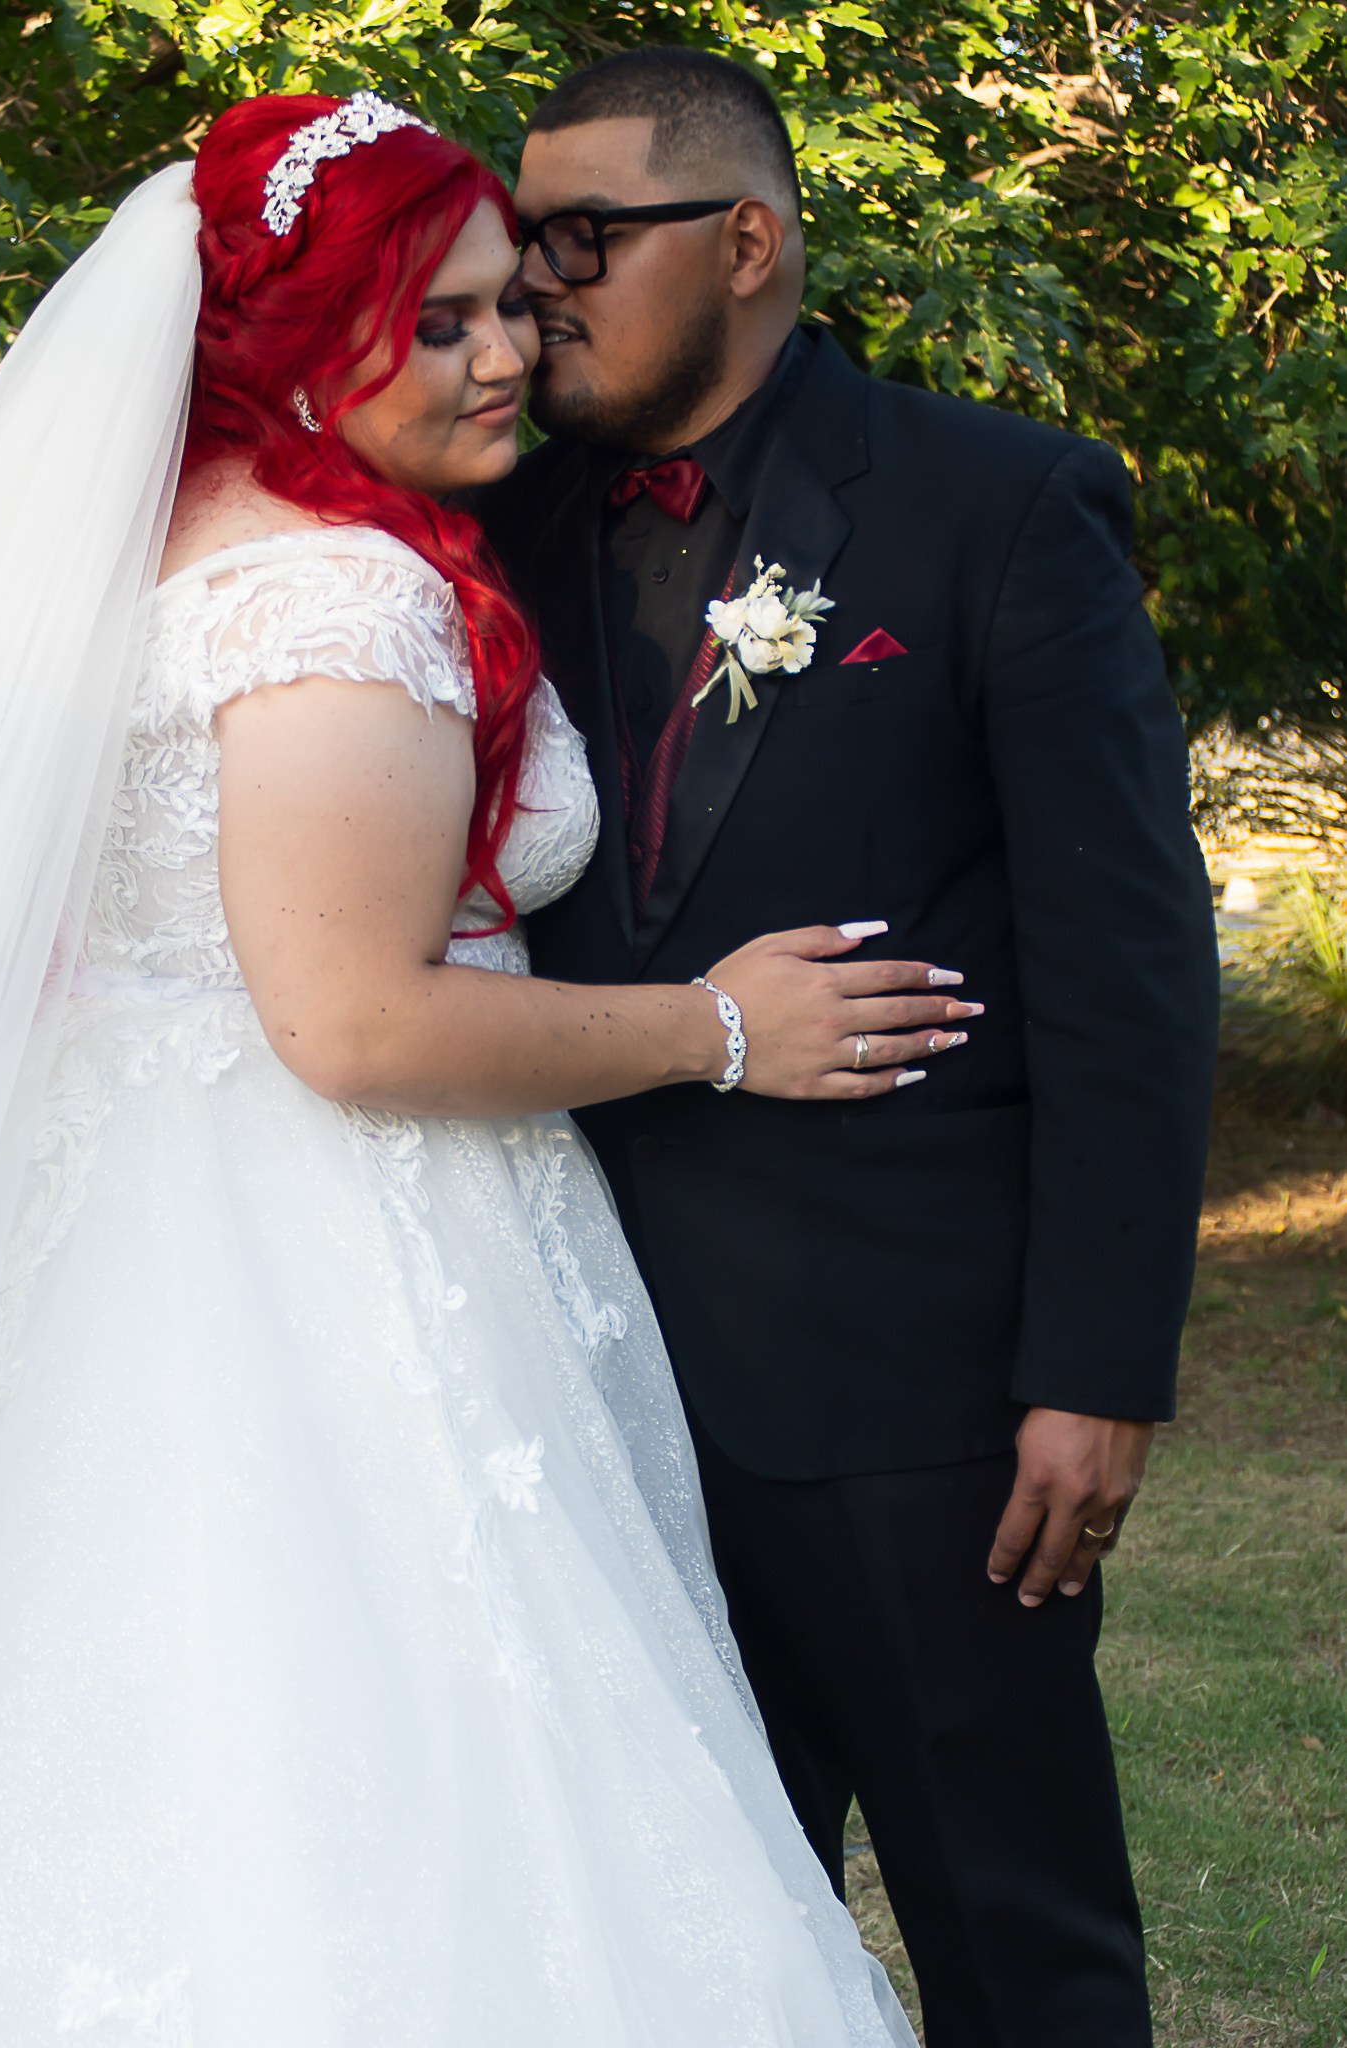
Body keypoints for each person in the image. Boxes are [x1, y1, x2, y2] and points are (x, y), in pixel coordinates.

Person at [0, 89, 969, 2045]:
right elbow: (353, 1022)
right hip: (325, 1265)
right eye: (436, 322)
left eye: (512, 305)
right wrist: (723, 1027)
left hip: (118, 1242)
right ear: (282, 337)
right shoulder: (341, 601)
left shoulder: (149, 560)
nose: (509, 352)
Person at [475, 46, 1220, 2048]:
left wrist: (1092, 1367)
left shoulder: (995, 504)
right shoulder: (492, 535)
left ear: (746, 242)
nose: (538, 280)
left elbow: (1124, 968)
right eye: (523, 234)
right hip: (587, 1373)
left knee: (1017, 1935)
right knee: (695, 1950)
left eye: (583, 238)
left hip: (922, 1397)